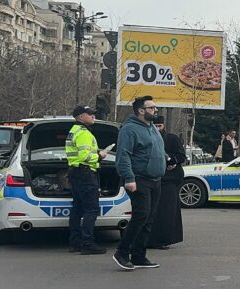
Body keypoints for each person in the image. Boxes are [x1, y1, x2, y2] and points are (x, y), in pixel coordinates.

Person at [113, 96, 166, 271]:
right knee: (140, 216)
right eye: (152, 108)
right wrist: (129, 178)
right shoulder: (129, 130)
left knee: (149, 219)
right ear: (141, 111)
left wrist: (166, 160)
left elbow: (154, 150)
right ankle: (122, 252)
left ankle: (139, 255)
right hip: (139, 179)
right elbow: (123, 155)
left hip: (155, 179)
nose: (156, 110)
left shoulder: (152, 128)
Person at [65, 105, 107, 255]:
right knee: (91, 208)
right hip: (85, 173)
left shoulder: (73, 131)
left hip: (76, 173)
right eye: (90, 114)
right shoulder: (83, 133)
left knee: (77, 208)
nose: (93, 116)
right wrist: (100, 156)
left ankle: (75, 243)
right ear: (81, 117)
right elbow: (84, 157)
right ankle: (87, 243)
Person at [148, 116, 185, 249]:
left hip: (169, 180)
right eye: (155, 126)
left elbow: (181, 156)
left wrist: (172, 162)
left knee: (167, 212)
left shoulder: (172, 138)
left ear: (164, 126)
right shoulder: (148, 137)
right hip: (154, 178)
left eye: (160, 126)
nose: (158, 129)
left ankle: (164, 239)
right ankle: (150, 239)